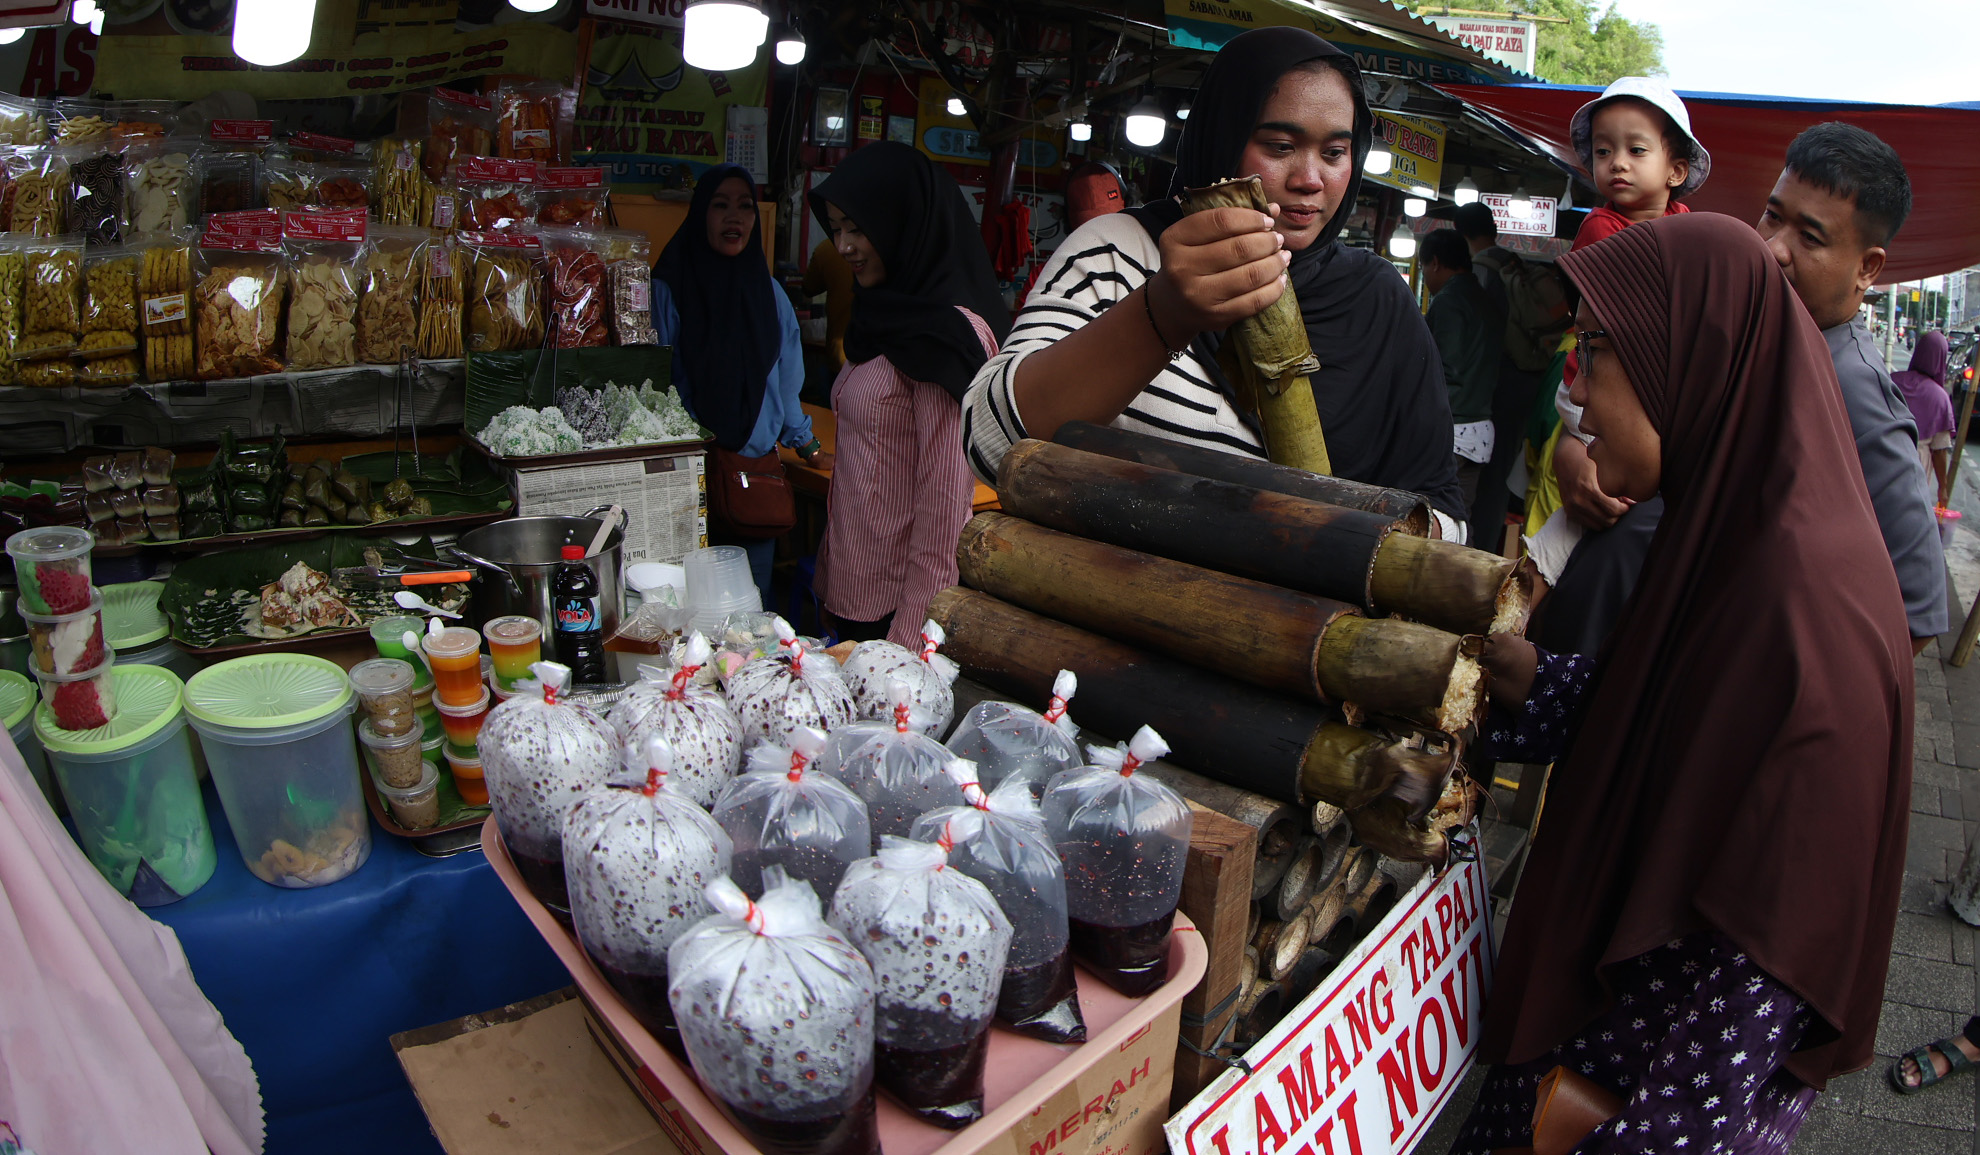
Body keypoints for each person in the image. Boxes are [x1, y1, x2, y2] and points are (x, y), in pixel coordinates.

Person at [1453, 213, 1914, 1154]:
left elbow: (1767, 958)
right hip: (1591, 1057)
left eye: (1596, 352)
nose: (1575, 391)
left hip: (1633, 1091)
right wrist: (1520, 677)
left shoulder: (1806, 619)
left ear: (1685, 361)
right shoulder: (1730, 529)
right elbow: (1671, 723)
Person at [962, 28, 1469, 538]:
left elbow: (1442, 512)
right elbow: (993, 447)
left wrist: (1349, 544)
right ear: (1222, 137)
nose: (1310, 179)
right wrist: (1163, 314)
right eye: (1280, 146)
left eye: (1335, 153)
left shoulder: (1379, 300)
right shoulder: (1120, 252)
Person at [808, 141, 1009, 646]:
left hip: (896, 615)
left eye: (858, 228)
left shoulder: (942, 337)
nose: (844, 246)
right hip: (852, 593)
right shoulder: (879, 315)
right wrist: (830, 580)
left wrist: (912, 639)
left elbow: (945, 507)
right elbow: (859, 475)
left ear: (903, 221)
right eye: (836, 229)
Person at [1530, 78, 1709, 582]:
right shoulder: (1602, 228)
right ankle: (1536, 579)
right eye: (1604, 151)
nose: (1617, 163)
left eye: (1636, 150)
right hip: (1590, 388)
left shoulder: (1683, 226)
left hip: (1628, 391)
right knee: (1603, 496)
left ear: (1676, 170)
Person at [654, 164, 823, 602]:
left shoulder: (770, 295)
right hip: (686, 480)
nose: (735, 217)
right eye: (720, 205)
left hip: (749, 478)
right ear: (700, 214)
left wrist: (805, 443)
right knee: (685, 608)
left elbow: (786, 383)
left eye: (745, 206)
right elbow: (658, 382)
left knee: (749, 612)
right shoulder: (669, 288)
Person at [1455, 200, 1570, 550]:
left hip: (1499, 383)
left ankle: (1478, 550)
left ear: (1461, 233)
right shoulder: (1515, 264)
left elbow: (1477, 336)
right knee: (1506, 470)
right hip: (1533, 379)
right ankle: (1491, 546)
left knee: (1489, 476)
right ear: (1494, 228)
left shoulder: (1480, 272)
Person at [1420, 227, 1503, 519]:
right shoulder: (1486, 298)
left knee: (1432, 515)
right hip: (1481, 430)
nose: (1425, 277)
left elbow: (1446, 368)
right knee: (1460, 517)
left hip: (1451, 428)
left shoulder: (1448, 301)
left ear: (1435, 263)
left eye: (1423, 268)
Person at [1891, 328, 1956, 507]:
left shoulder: (1892, 381)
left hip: (1883, 458)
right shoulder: (1940, 398)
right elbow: (1940, 450)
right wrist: (1943, 487)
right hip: (1916, 472)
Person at [802, 238, 856, 369]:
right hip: (881, 362)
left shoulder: (827, 248)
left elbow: (808, 288)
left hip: (840, 357)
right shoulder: (887, 246)